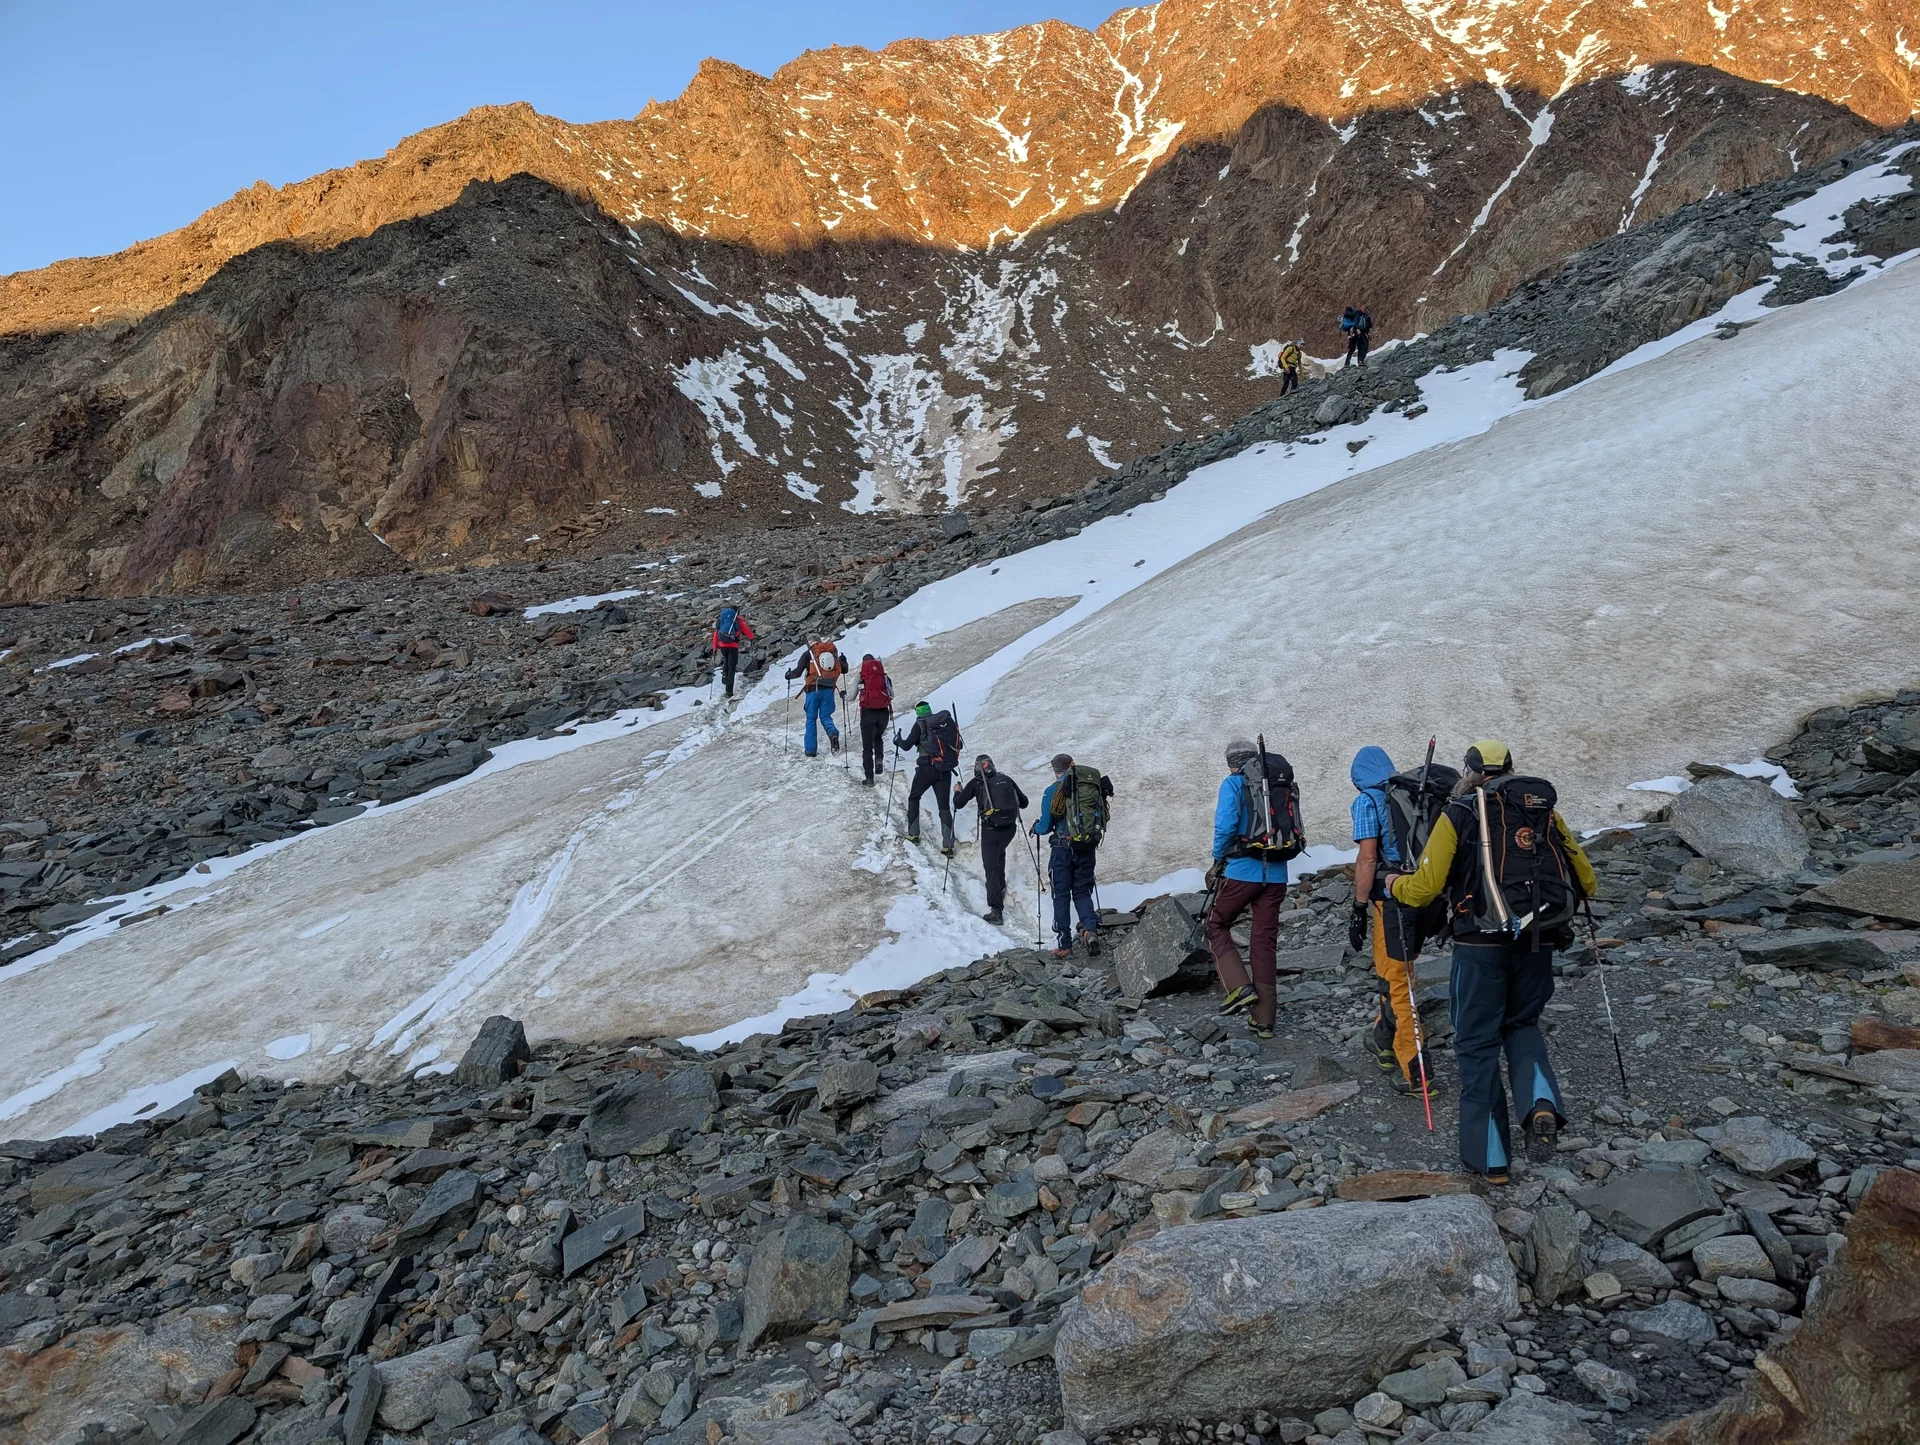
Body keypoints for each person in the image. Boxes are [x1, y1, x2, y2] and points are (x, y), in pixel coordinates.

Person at [1386, 741, 1599, 1184]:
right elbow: (1588, 881)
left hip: (1479, 945)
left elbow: (1425, 887)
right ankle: (1540, 1102)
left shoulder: (1460, 811)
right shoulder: (1543, 812)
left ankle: (1491, 1160)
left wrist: (1393, 885)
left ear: (1469, 771)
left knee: (1476, 1044)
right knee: (1522, 1025)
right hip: (1538, 939)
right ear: (1511, 769)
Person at [1349, 745, 1436, 1095]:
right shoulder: (1416, 794)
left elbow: (1368, 858)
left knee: (1397, 981)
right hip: (1425, 895)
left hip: (1392, 899)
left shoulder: (1368, 801)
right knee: (1400, 971)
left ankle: (1418, 1072)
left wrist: (1358, 907)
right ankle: (1384, 1042)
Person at [1206, 738, 1297, 1041]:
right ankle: (1264, 1021)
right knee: (1263, 942)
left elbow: (1225, 825)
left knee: (1217, 925)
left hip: (1242, 871)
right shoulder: (1277, 784)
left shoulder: (1234, 784)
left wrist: (1218, 857)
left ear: (1231, 762)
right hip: (1277, 872)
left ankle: (1239, 988)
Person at [1032, 753, 1111, 958]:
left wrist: (1036, 828)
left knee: (1061, 895)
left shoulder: (1053, 790)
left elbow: (1046, 825)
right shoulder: (1089, 786)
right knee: (1082, 892)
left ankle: (1064, 945)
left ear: (1054, 770)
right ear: (1072, 765)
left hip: (1062, 848)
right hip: (1086, 846)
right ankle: (1089, 930)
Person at [953, 754, 1029, 924]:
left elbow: (958, 804)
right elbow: (1024, 803)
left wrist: (957, 792)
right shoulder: (1006, 779)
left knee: (991, 867)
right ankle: (1000, 887)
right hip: (1009, 829)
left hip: (991, 830)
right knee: (999, 854)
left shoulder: (976, 783)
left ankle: (996, 910)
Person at [894, 702, 962, 853]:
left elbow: (906, 746)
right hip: (944, 769)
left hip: (926, 768)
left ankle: (913, 834)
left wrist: (897, 739)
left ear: (918, 712)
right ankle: (948, 845)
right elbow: (959, 745)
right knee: (943, 806)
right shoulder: (943, 723)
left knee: (914, 797)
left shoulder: (920, 724)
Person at [783, 635, 847, 758]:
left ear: (810, 642)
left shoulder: (809, 654)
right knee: (826, 716)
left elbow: (797, 673)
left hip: (813, 690)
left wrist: (788, 675)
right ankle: (833, 734)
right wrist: (843, 661)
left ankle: (810, 750)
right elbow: (843, 669)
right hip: (829, 689)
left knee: (811, 719)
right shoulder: (831, 651)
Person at [856, 653, 893, 785]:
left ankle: (870, 778)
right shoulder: (884, 676)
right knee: (878, 737)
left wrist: (844, 696)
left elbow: (851, 696)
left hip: (868, 713)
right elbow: (891, 694)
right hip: (883, 712)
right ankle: (879, 759)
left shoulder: (862, 676)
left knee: (867, 747)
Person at [705, 605, 755, 698]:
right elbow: (746, 630)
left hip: (723, 645)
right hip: (733, 645)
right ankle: (729, 691)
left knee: (726, 661)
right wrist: (752, 638)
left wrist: (715, 648)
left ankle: (724, 674)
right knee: (732, 667)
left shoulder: (722, 619)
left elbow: (716, 634)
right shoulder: (738, 620)